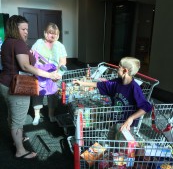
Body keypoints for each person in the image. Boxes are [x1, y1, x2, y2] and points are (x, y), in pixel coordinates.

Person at [0, 15, 61, 159]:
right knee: (18, 119)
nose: (26, 32)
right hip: (17, 86)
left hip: (4, 82)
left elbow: (17, 60)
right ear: (14, 28)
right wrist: (49, 75)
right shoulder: (19, 43)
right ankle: (20, 150)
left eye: (27, 29)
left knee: (12, 115)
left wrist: (29, 53)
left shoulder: (7, 42)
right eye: (23, 29)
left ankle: (18, 140)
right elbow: (25, 66)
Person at [73, 57, 152, 131]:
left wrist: (131, 118)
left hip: (127, 126)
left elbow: (145, 107)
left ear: (125, 71)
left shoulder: (134, 88)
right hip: (115, 120)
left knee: (121, 144)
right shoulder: (116, 83)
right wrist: (81, 83)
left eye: (119, 67)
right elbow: (99, 85)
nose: (117, 68)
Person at [31, 22, 67, 125]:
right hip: (39, 73)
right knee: (37, 94)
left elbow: (63, 62)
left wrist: (59, 74)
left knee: (53, 96)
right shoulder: (39, 42)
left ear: (58, 34)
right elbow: (31, 54)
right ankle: (37, 115)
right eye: (50, 33)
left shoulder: (60, 46)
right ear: (45, 33)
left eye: (55, 33)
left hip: (54, 74)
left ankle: (51, 114)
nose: (52, 35)